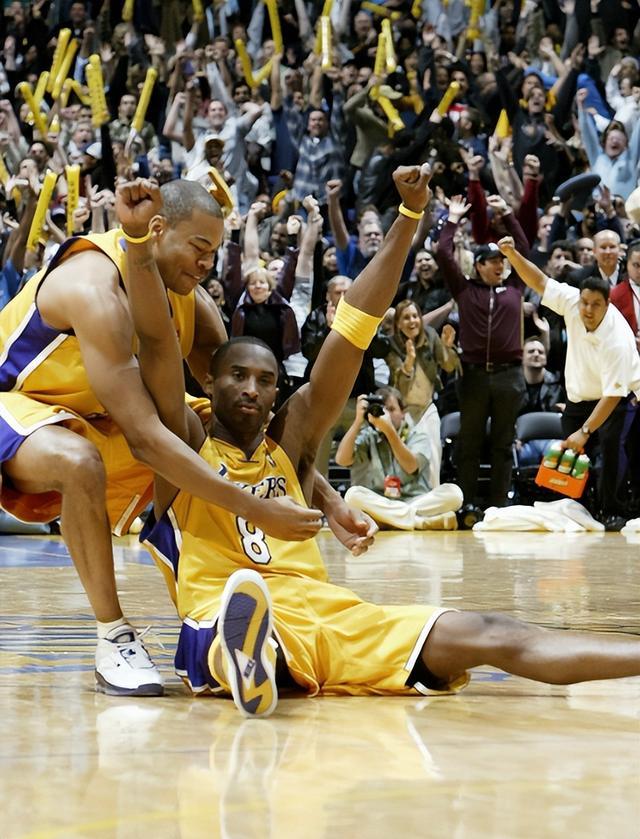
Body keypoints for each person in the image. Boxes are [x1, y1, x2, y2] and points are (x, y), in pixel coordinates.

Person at [129, 172, 640, 720]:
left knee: (491, 630)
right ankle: (250, 655)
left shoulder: (290, 445)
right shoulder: (183, 441)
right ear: (208, 381)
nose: (252, 389)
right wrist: (138, 245)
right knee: (234, 623)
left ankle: (260, 656)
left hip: (331, 617)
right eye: (237, 376)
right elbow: (157, 342)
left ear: (279, 391)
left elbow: (354, 328)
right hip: (219, 607)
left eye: (266, 380)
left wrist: (409, 215)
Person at [0, 179, 325, 698]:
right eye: (198, 248)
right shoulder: (94, 290)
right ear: (156, 230)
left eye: (214, 252)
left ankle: (213, 613)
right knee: (81, 461)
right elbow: (147, 440)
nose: (206, 265)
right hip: (16, 406)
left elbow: (240, 416)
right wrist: (256, 508)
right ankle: (113, 635)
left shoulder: (187, 295)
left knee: (198, 427)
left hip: (90, 414)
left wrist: (326, 495)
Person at [498, 235, 640, 531]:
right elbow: (539, 281)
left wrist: (585, 431)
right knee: (572, 459)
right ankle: (580, 510)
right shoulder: (573, 302)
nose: (587, 310)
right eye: (584, 302)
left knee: (610, 454)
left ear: (607, 305)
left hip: (617, 399)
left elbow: (612, 396)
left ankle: (612, 512)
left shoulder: (617, 339)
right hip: (578, 399)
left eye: (595, 305)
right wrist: (512, 255)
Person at [436, 194, 528, 518]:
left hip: (509, 375)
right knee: (469, 444)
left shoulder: (515, 287)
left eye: (502, 260)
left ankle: (498, 507)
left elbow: (523, 249)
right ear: (478, 266)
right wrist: (452, 219)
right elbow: (443, 253)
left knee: (503, 444)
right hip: (472, 374)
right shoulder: (464, 290)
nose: (500, 265)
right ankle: (466, 505)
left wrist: (507, 215)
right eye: (493, 261)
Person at [335, 387, 462, 531]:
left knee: (454, 494)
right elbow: (342, 460)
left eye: (391, 409)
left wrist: (389, 431)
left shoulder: (417, 435)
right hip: (381, 500)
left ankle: (387, 519)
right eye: (383, 410)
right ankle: (419, 522)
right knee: (352, 495)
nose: (386, 415)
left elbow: (411, 467)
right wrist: (358, 421)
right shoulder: (369, 435)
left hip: (415, 499)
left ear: (403, 413)